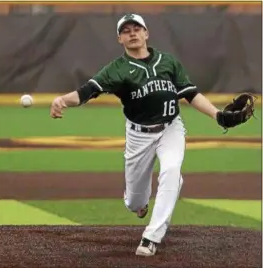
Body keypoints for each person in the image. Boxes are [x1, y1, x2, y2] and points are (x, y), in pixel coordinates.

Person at [50, 13, 221, 257]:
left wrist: (218, 115)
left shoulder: (167, 61)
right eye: (126, 30)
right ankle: (140, 203)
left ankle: (151, 237)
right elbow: (87, 91)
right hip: (139, 136)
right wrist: (62, 100)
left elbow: (191, 93)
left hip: (171, 128)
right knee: (134, 203)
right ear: (119, 38)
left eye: (137, 28)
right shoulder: (117, 69)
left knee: (171, 171)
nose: (132, 33)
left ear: (146, 33)